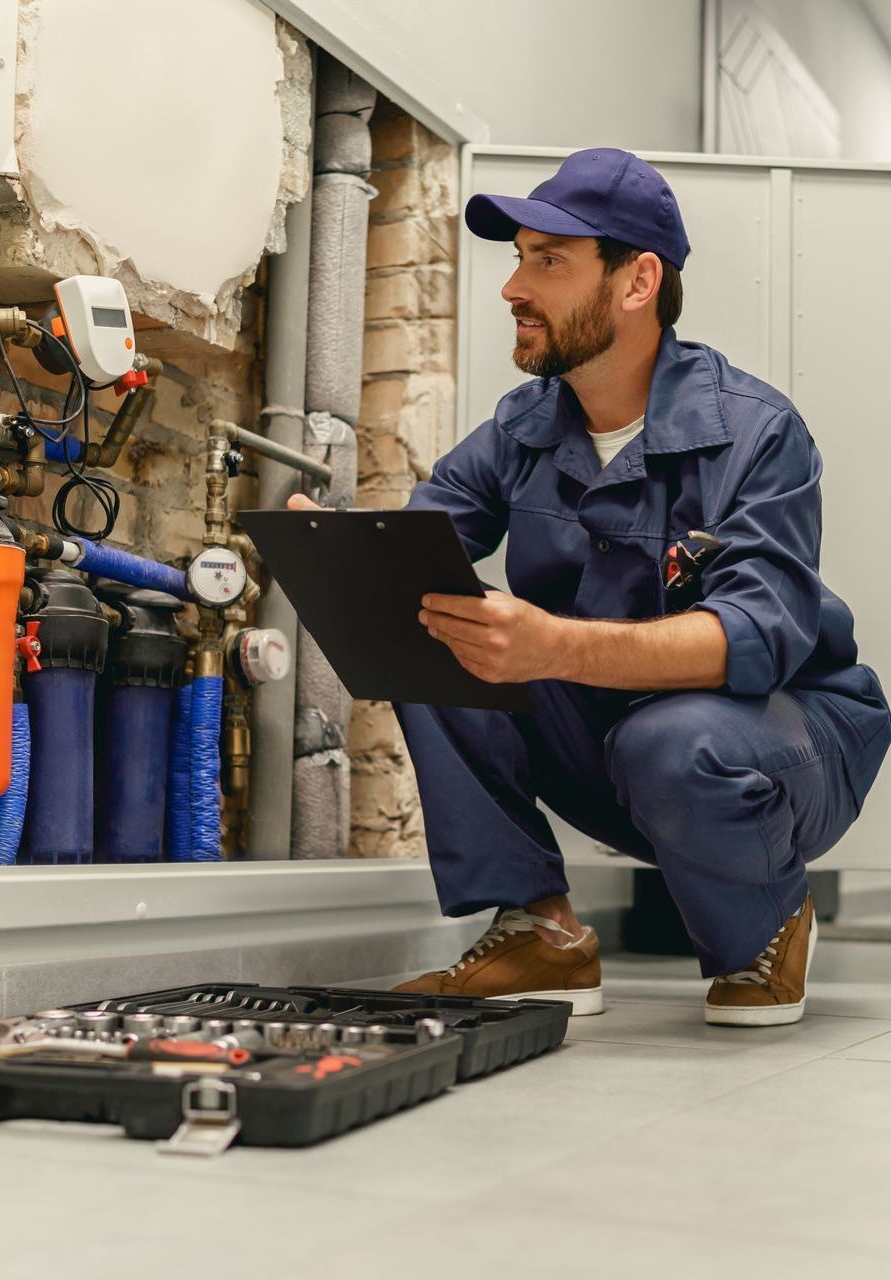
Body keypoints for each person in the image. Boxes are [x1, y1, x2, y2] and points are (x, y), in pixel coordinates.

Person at [289, 148, 890, 1026]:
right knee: (434, 625)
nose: (514, 288)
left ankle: (767, 929)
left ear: (637, 282)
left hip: (785, 743)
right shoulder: (523, 427)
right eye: (519, 257)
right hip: (615, 736)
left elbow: (755, 635)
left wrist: (556, 645)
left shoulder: (758, 434)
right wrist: (346, 554)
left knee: (673, 740)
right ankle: (541, 931)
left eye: (550, 262)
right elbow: (425, 552)